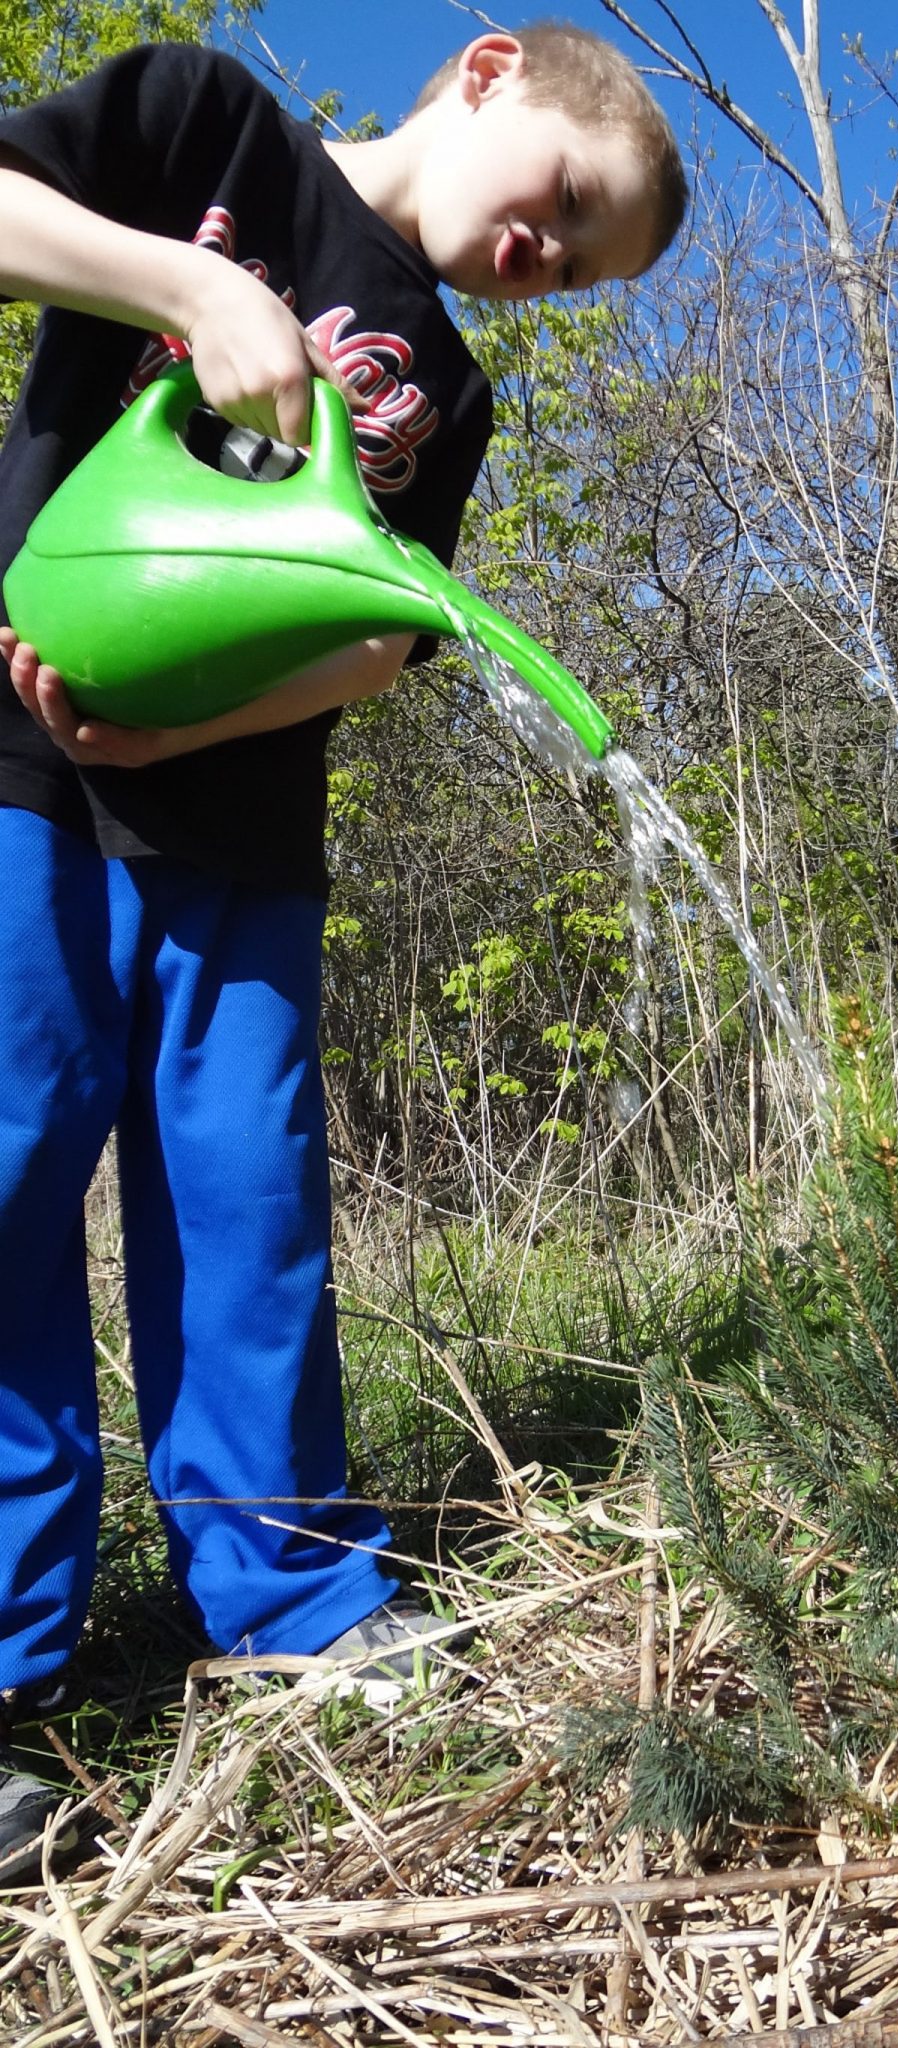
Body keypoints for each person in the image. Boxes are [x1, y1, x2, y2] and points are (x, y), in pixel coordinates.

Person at [0, 23, 687, 1879]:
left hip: (237, 838)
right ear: (486, 74)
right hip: (19, 787)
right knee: (3, 1180)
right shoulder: (207, 126)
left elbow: (385, 639)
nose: (538, 265)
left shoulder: (447, 388)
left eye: (576, 271)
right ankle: (9, 1668)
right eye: (561, 207)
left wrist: (183, 738)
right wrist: (183, 281)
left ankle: (293, 1604)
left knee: (249, 1208)